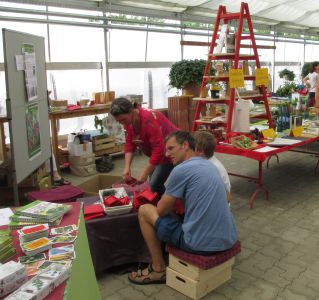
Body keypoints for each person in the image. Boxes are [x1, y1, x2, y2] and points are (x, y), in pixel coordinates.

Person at [128, 131, 237, 285]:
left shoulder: (180, 170)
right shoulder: (210, 165)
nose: (166, 154)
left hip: (200, 245)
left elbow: (161, 211)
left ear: (185, 145)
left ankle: (157, 269)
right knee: (177, 213)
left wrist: (162, 203)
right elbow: (226, 197)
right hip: (228, 238)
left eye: (171, 148)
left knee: (145, 210)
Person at [110, 97, 178, 196]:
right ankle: (160, 205)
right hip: (160, 152)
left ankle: (166, 208)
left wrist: (145, 173)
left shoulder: (148, 119)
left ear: (131, 111)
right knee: (152, 184)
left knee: (155, 184)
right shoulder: (129, 122)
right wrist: (127, 168)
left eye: (123, 119)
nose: (122, 124)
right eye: (119, 121)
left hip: (173, 151)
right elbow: (130, 143)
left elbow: (158, 150)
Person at [193, 131, 231, 202]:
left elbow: (227, 196)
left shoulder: (212, 168)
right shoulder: (206, 161)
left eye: (191, 148)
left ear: (200, 151)